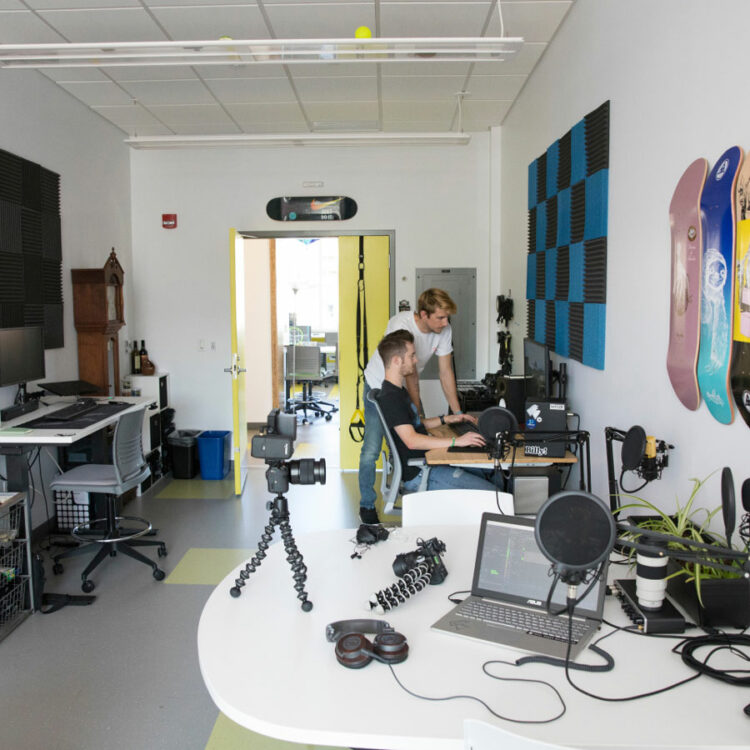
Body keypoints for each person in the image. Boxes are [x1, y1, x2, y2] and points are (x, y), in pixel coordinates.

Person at [358, 288, 475, 523]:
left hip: (400, 387)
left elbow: (445, 371)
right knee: (371, 449)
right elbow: (408, 375)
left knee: (413, 431)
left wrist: (457, 413)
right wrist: (418, 412)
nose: (445, 323)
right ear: (423, 314)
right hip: (380, 386)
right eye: (440, 318)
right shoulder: (401, 325)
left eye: (447, 318)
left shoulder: (443, 330)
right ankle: (367, 505)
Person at [373, 329, 506, 497]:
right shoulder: (391, 398)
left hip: (429, 463)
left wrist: (447, 419)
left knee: (494, 473)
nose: (416, 360)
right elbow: (412, 440)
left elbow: (415, 424)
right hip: (421, 473)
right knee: (495, 495)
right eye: (412, 356)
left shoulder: (397, 391)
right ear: (397, 360)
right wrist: (456, 441)